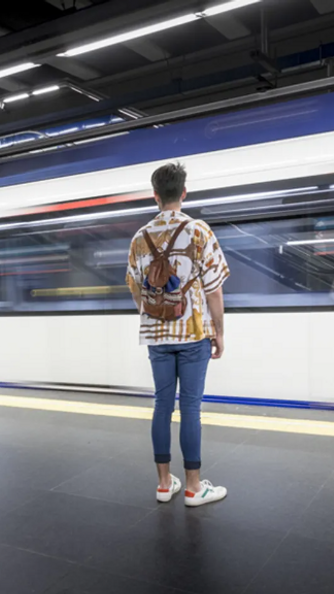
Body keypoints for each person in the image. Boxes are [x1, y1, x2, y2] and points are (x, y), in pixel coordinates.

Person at [126, 161, 230, 507]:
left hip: (156, 335)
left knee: (161, 405)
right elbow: (214, 290)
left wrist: (152, 313)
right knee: (190, 408)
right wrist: (219, 332)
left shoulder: (140, 238)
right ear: (183, 193)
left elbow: (134, 288)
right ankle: (193, 487)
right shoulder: (199, 231)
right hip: (193, 333)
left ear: (155, 196)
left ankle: (161, 483)